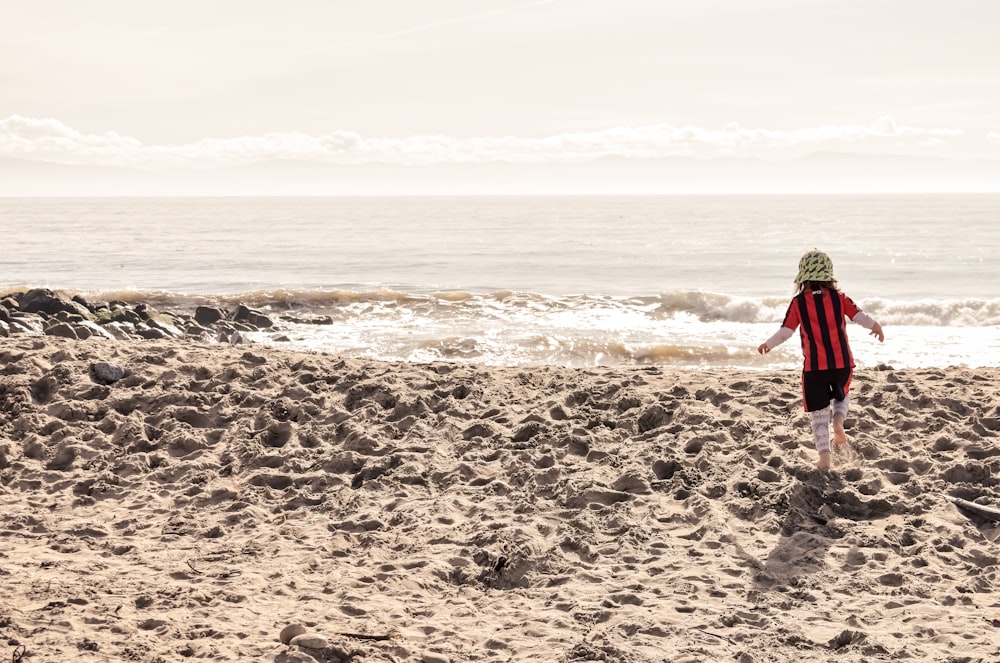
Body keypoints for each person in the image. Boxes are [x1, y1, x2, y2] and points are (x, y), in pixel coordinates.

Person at [757, 250, 884, 470]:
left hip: (814, 368)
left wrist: (768, 344)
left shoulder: (798, 304)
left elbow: (786, 332)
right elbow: (859, 317)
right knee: (842, 394)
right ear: (829, 275)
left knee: (818, 413)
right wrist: (876, 326)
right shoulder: (839, 298)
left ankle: (824, 459)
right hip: (842, 363)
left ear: (803, 276)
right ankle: (838, 421)